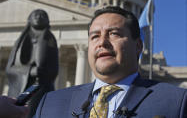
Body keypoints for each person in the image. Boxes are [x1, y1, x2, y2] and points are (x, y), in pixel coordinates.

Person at [34, 6, 187, 118]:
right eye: (95, 36)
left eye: (114, 34)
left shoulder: (176, 103)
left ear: (138, 46)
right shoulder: (50, 104)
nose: (102, 42)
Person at [6, 9, 59, 118]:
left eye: (42, 15)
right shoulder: (20, 41)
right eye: (35, 15)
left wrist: (42, 72)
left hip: (40, 89)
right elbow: (9, 69)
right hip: (18, 89)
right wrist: (30, 71)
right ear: (29, 19)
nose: (39, 17)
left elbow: (54, 69)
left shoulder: (50, 40)